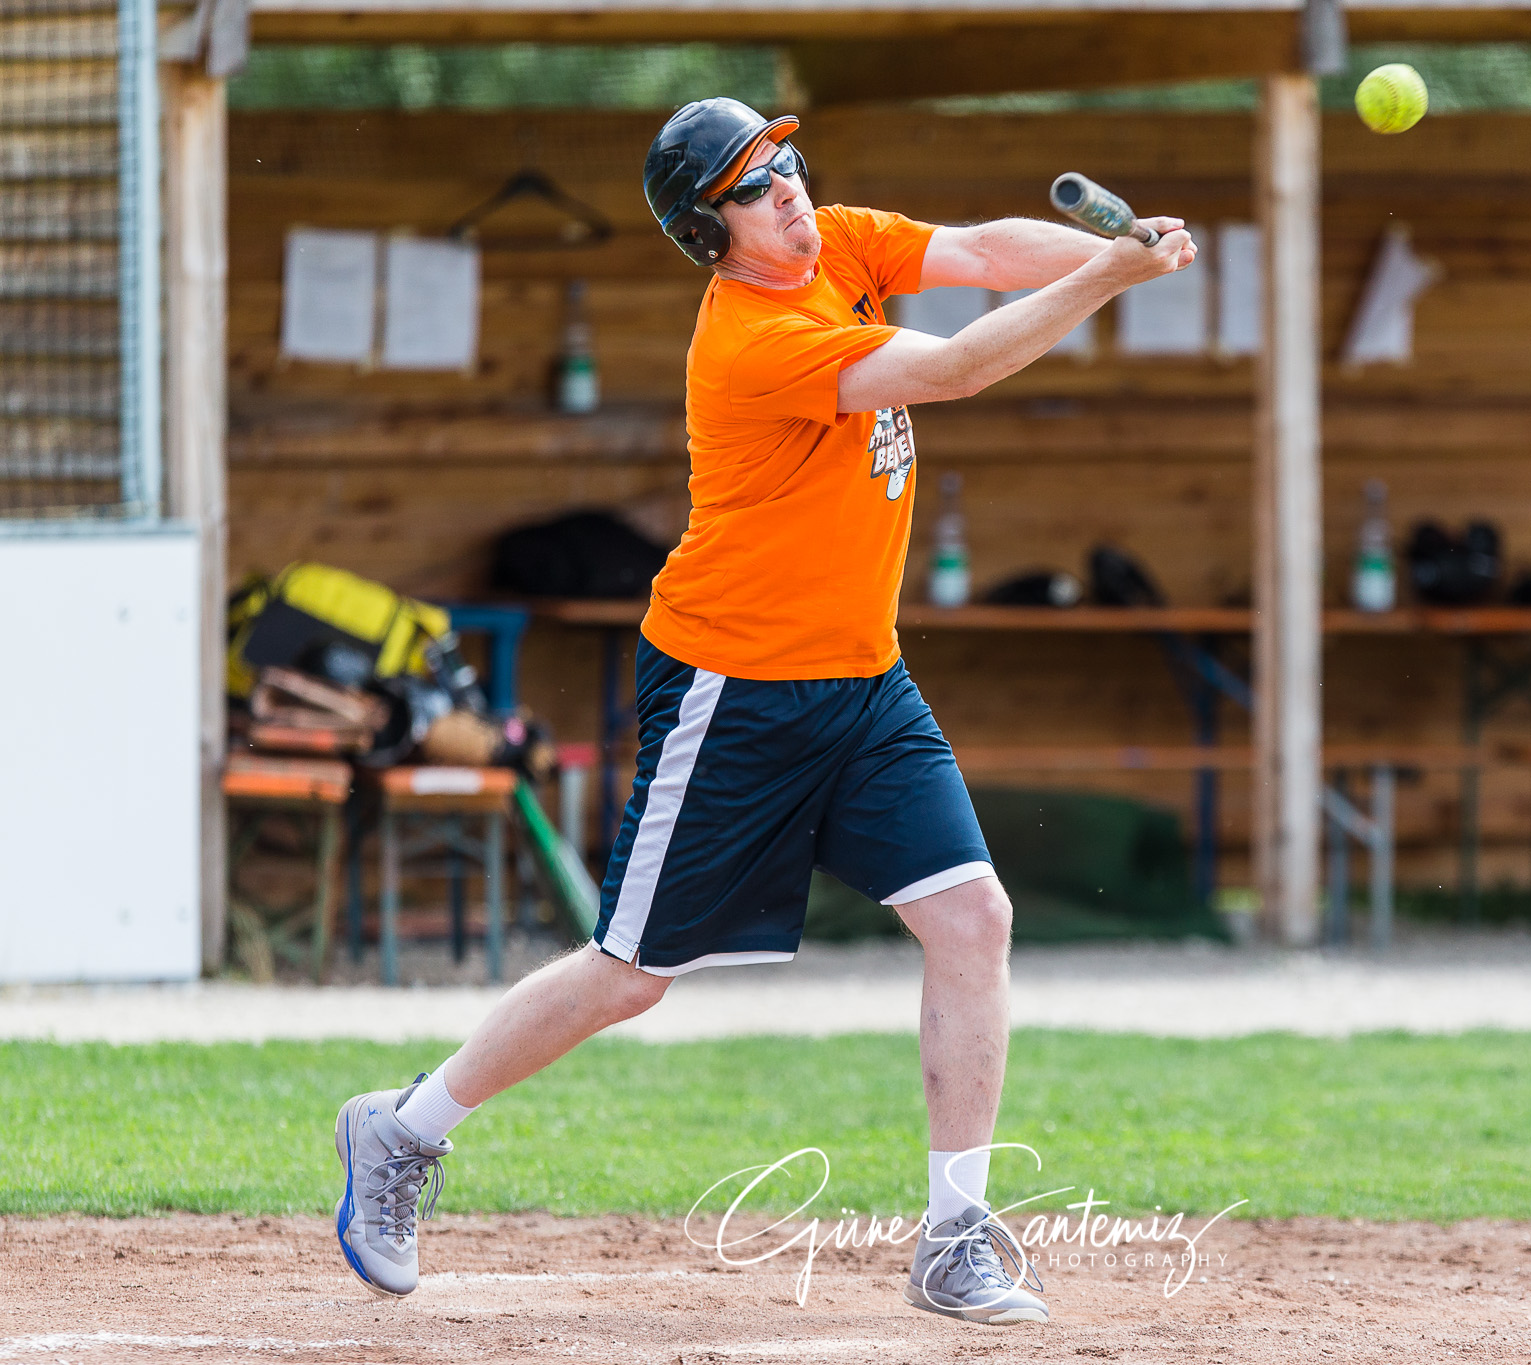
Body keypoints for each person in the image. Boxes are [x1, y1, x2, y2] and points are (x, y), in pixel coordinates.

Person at [329, 98, 1197, 1324]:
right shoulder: (749, 339)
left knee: (970, 919)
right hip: (730, 693)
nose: (785, 188)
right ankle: (401, 1131)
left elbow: (989, 253)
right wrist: (1109, 277)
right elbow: (953, 366)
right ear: (709, 230)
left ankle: (954, 1235)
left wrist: (1124, 249)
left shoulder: (833, 240)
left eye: (782, 162)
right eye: (751, 183)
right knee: (631, 975)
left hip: (863, 682)